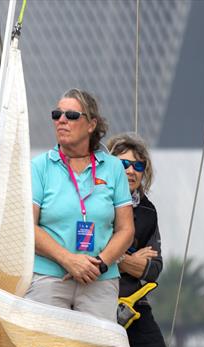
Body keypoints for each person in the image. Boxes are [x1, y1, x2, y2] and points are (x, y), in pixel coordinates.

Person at [27, 89, 134, 322]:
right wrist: (69, 260)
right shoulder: (39, 167)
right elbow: (28, 226)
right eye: (57, 115)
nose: (62, 120)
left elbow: (126, 229)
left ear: (91, 124)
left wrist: (101, 265)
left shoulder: (113, 167)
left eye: (71, 116)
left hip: (100, 280)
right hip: (49, 277)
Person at [108, 133, 179, 347]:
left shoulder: (148, 211)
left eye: (138, 166)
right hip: (97, 299)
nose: (131, 171)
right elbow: (89, 250)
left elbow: (153, 269)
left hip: (135, 305)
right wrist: (129, 259)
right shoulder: (96, 202)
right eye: (124, 164)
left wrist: (117, 258)